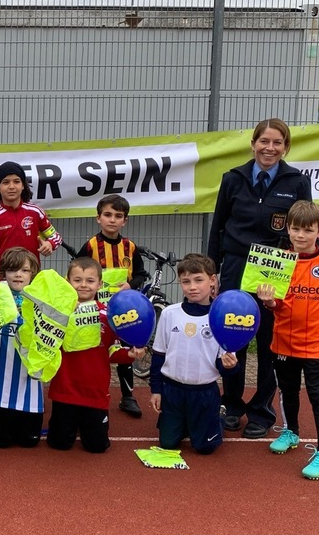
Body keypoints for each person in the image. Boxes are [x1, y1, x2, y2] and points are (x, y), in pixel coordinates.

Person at [206, 118, 314, 439]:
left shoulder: (296, 182)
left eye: (277, 143)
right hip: (237, 269)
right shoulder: (233, 179)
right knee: (233, 339)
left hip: (275, 270)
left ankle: (261, 410)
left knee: (269, 343)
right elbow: (218, 228)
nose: (270, 148)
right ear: (253, 144)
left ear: (286, 147)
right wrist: (213, 272)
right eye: (264, 141)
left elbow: (308, 227)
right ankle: (233, 404)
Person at [255, 201, 319, 480]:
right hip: (283, 342)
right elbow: (280, 305)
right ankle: (291, 431)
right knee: (286, 390)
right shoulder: (281, 261)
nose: (300, 235)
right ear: (288, 229)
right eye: (295, 229)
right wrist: (270, 302)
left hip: (317, 345)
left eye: (308, 230)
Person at [46, 257, 141, 453]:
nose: (83, 285)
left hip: (95, 392)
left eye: (90, 281)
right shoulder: (57, 313)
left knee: (97, 447)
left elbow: (113, 351)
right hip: (64, 390)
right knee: (59, 444)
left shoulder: (108, 315)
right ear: (68, 281)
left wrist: (130, 354)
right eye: (77, 280)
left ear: (99, 284)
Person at [148, 254, 238, 455]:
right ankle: (185, 422)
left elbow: (224, 365)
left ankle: (218, 416)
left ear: (212, 280)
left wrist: (230, 366)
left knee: (205, 448)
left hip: (204, 393)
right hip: (172, 391)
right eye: (186, 282)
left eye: (199, 280)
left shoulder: (222, 317)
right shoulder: (170, 314)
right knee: (168, 443)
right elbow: (158, 355)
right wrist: (156, 390)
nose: (192, 287)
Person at [75, 193, 149, 418]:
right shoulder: (90, 245)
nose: (112, 220)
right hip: (96, 310)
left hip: (123, 309)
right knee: (94, 349)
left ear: (124, 221)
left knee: (124, 352)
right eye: (107, 215)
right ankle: (83, 392)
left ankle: (128, 397)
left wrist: (130, 285)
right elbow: (76, 270)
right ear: (98, 218)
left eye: (118, 216)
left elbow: (140, 274)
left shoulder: (130, 247)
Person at [0, 248, 45, 448]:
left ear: (33, 273)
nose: (18, 274)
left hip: (29, 377)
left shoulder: (41, 296)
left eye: (24, 270)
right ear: (3, 273)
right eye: (13, 269)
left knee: (29, 442)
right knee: (1, 442)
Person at [0, 160, 62, 279]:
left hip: (32, 281)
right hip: (2, 284)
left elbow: (56, 237)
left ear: (23, 185)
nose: (11, 186)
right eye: (5, 182)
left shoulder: (35, 212)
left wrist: (49, 244)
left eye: (16, 181)